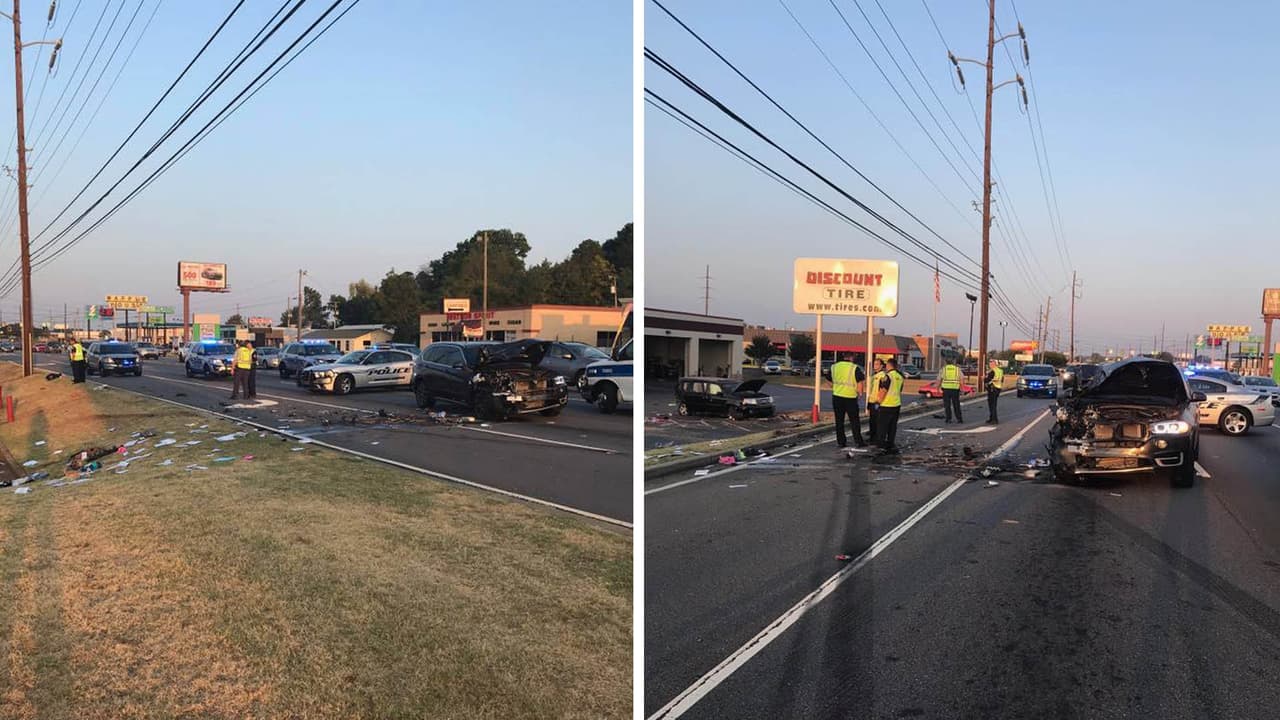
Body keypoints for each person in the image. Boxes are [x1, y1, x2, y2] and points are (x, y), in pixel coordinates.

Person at [829, 352, 866, 449]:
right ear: (851, 357)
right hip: (850, 398)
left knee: (839, 421)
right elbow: (860, 382)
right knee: (854, 421)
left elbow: (829, 379)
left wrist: (835, 387)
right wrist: (860, 394)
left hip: (837, 397)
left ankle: (841, 442)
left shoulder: (834, 367)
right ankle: (858, 441)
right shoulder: (854, 368)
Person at [876, 358, 906, 454]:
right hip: (896, 404)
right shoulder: (900, 376)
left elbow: (883, 390)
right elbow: (900, 390)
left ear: (888, 366)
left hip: (886, 405)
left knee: (882, 426)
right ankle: (890, 443)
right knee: (892, 426)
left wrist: (878, 402)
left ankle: (881, 444)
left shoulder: (887, 376)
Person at [866, 358, 885, 445]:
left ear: (881, 366)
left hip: (877, 402)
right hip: (871, 400)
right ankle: (872, 437)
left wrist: (878, 402)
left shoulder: (882, 376)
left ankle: (876, 438)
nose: (875, 366)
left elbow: (882, 390)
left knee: (876, 421)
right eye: (874, 364)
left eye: (877, 364)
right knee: (871, 421)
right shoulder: (874, 376)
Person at [940, 359, 963, 423]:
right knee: (956, 404)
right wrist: (962, 388)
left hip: (946, 389)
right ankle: (959, 419)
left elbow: (940, 379)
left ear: (946, 362)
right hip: (955, 389)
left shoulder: (943, 369)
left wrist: (937, 388)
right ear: (953, 363)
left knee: (947, 405)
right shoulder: (957, 369)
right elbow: (961, 379)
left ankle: (948, 419)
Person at [985, 358, 1005, 424]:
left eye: (991, 363)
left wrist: (984, 378)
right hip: (998, 388)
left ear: (994, 364)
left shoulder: (993, 371)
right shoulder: (1000, 371)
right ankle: (992, 418)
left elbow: (987, 380)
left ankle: (994, 419)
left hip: (992, 389)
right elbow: (1002, 379)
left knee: (992, 405)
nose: (990, 364)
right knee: (993, 404)